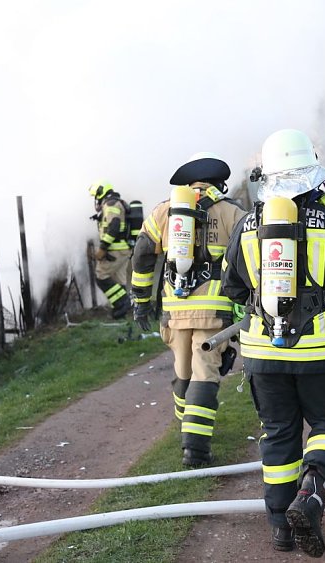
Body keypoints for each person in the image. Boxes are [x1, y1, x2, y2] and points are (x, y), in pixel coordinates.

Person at [221, 129, 325, 557]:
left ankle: (280, 529)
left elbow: (231, 287)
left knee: (278, 433)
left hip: (263, 356)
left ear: (266, 177)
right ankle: (310, 495)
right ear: (311, 174)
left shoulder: (248, 227)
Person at [130, 152, 246, 467]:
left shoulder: (163, 212)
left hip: (174, 311)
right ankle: (195, 449)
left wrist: (141, 301)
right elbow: (248, 259)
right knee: (205, 371)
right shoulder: (231, 212)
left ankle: (188, 428)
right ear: (218, 182)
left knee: (183, 370)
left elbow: (142, 256)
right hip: (214, 313)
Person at [89, 180, 133, 319]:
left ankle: (123, 303)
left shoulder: (110, 204)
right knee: (119, 280)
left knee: (101, 276)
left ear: (101, 194)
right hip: (123, 249)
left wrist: (102, 248)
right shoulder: (115, 203)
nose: (96, 200)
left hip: (115, 250)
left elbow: (114, 226)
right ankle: (121, 313)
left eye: (96, 196)